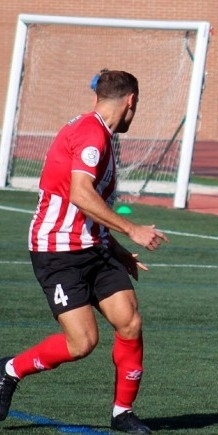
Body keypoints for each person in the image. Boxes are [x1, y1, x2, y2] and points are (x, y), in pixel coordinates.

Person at [0, 70, 168, 433]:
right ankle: (9, 370)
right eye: (136, 107)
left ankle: (122, 413)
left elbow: (89, 208)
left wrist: (119, 250)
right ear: (131, 101)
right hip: (57, 250)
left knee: (130, 321)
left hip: (96, 246)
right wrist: (132, 229)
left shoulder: (97, 131)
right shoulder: (93, 135)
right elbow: (80, 194)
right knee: (82, 343)